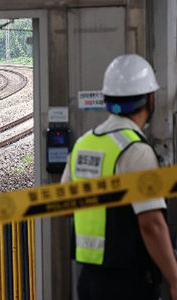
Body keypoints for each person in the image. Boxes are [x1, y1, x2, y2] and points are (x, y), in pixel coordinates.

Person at [63, 54, 177, 300]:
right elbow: (151, 224)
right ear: (149, 99)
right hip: (129, 280)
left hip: (88, 279)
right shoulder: (136, 151)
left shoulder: (83, 144)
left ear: (106, 100)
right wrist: (174, 278)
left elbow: (66, 207)